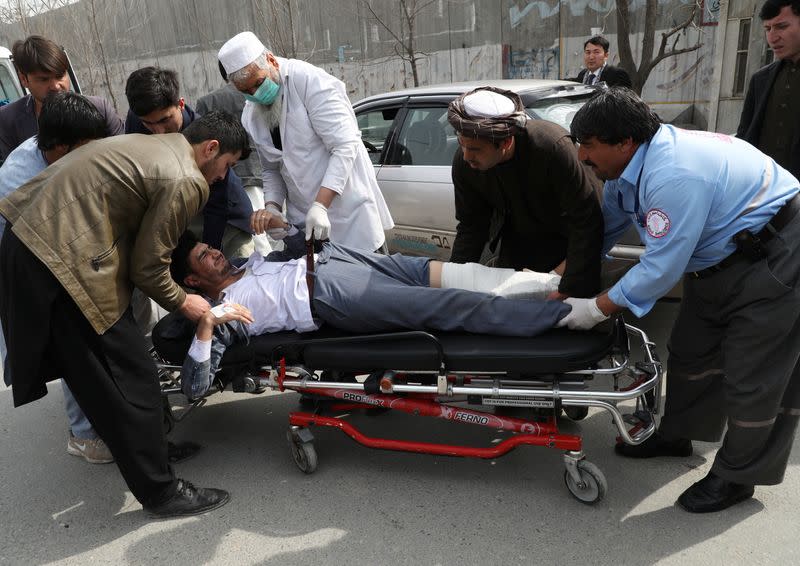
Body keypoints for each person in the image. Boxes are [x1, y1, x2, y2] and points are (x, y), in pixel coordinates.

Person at [561, 87, 800, 513]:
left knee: (754, 374)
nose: (582, 156)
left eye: (589, 146)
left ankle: (738, 477)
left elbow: (660, 268)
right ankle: (677, 435)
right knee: (690, 350)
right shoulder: (624, 171)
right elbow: (606, 229)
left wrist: (595, 308)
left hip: (780, 251)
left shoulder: (674, 174)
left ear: (625, 143)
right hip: (720, 258)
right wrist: (564, 276)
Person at [0, 111, 250, 518]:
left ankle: (151, 449)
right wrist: (186, 302)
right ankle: (161, 491)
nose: (224, 176)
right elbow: (148, 268)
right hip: (57, 258)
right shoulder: (187, 177)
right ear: (210, 149)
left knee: (105, 376)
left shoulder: (159, 147)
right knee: (131, 378)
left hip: (33, 242)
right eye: (228, 165)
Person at [168, 218, 568, 399]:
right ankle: (567, 314)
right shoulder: (221, 313)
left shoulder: (250, 264)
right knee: (447, 304)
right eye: (205, 256)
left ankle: (553, 286)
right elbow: (194, 387)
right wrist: (205, 324)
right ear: (192, 282)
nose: (216, 253)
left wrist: (282, 225)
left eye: (211, 247)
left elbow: (293, 246)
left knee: (450, 274)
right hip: (329, 294)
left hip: (336, 260)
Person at [0, 91, 112, 463]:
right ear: (61, 147)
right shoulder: (21, 179)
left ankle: (103, 414)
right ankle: (83, 435)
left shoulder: (63, 150)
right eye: (85, 150)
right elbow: (48, 246)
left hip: (58, 252)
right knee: (71, 344)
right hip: (25, 264)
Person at [217, 31, 394, 251]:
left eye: (258, 83)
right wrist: (271, 207)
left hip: (348, 216)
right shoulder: (251, 114)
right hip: (304, 222)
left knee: (366, 279)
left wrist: (320, 205)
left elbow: (344, 147)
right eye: (246, 91)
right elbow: (272, 168)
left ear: (271, 60)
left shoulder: (310, 81)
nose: (255, 94)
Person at [446, 86, 604, 299]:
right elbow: (471, 226)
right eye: (461, 145)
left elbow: (587, 222)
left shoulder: (552, 148)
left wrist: (563, 285)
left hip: (567, 251)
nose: (466, 156)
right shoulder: (465, 163)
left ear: (506, 142)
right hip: (516, 250)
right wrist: (454, 282)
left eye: (475, 149)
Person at [124, 66, 255, 259]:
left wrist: (206, 260)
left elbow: (217, 208)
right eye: (149, 124)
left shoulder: (206, 136)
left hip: (227, 221)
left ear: (181, 104)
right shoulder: (137, 121)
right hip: (183, 217)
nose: (158, 131)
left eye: (165, 120)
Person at [0, 35, 123, 163]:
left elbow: (122, 155)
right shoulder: (7, 120)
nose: (56, 86)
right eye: (44, 79)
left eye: (60, 76)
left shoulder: (99, 108)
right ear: (23, 79)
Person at [197, 62, 272, 256]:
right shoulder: (259, 92)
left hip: (232, 177)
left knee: (257, 232)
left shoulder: (209, 102)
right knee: (267, 228)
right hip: (265, 172)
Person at [737, 0, 800, 181]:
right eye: (768, 29)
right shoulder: (760, 79)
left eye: (781, 26)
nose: (772, 37)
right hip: (763, 192)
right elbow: (744, 139)